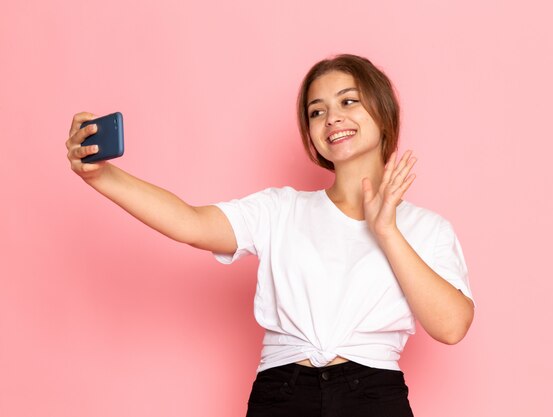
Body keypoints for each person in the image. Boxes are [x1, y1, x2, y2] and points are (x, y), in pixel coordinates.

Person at [66, 54, 474, 417]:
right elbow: (190, 223)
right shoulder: (281, 209)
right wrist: (103, 177)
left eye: (348, 101)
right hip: (282, 393)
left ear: (383, 113)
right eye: (317, 112)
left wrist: (386, 231)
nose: (332, 118)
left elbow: (452, 326)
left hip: (373, 394)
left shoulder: (428, 228)